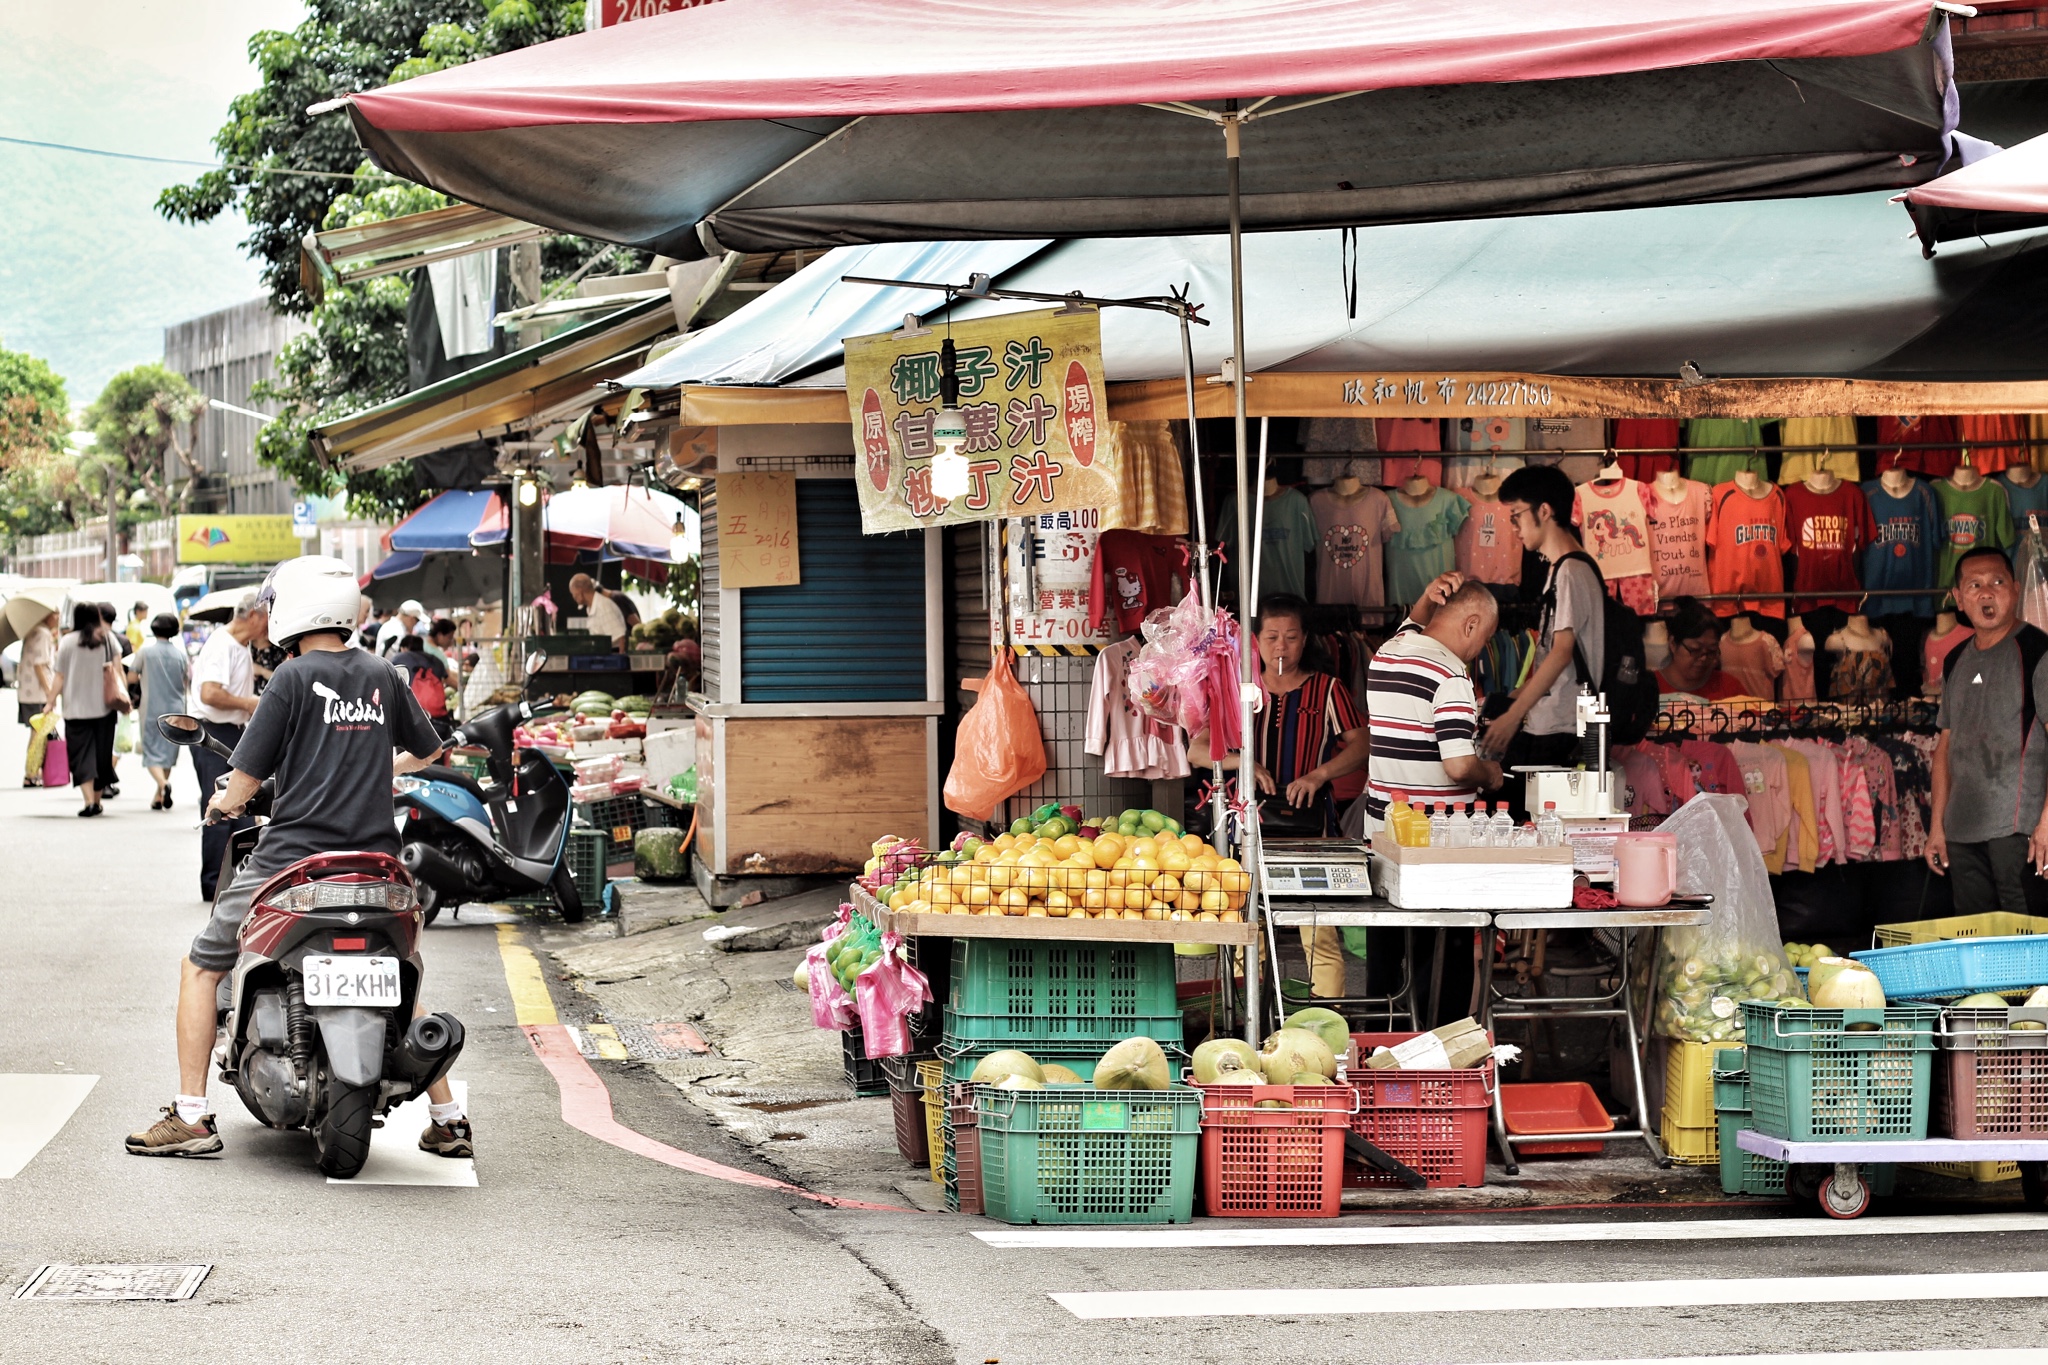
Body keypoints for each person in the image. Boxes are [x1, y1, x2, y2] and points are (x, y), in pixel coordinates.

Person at [125, 555, 468, 1160]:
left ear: (292, 608)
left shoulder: (291, 677)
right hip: (378, 868)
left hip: (292, 862)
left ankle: (193, 1116)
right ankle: (448, 1118)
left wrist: (221, 807)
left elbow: (245, 775)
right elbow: (427, 751)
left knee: (201, 968)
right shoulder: (384, 674)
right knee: (398, 974)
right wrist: (377, 769)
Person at [1188, 593, 1369, 997]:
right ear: (1256, 641)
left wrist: (1319, 775)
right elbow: (1197, 749)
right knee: (1247, 926)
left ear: (1305, 640)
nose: (1280, 646)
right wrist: (1243, 763)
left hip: (1310, 830)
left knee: (1317, 931)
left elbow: (1361, 745)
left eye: (1290, 637)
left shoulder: (1328, 689)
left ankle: (1328, 1017)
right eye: (1271, 637)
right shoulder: (1239, 691)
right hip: (1249, 825)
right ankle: (1251, 1015)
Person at [1931, 547, 2048, 913]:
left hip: (2020, 833)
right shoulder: (1955, 661)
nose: (1986, 592)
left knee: (2029, 940)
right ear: (1958, 599)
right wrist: (1937, 827)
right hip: (1961, 833)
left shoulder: (2037, 651)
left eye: (1997, 582)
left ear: (2014, 589)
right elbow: (1944, 748)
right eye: (1975, 585)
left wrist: (2047, 822)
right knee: (1975, 943)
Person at [1481, 464, 1604, 770]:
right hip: (1556, 720)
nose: (1515, 527)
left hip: (1561, 724)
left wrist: (1512, 715)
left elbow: (1562, 653)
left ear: (1544, 511)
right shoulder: (1562, 568)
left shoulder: (1571, 571)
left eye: (1517, 515)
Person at [1366, 574, 1506, 829]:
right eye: (1485, 638)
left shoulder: (1387, 652)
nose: (1481, 648)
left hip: (1380, 830)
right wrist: (1490, 774)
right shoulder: (1450, 674)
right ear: (1471, 625)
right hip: (1430, 839)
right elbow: (1460, 767)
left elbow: (1413, 623)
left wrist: (1428, 593)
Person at [189, 592, 267, 900]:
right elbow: (210, 693)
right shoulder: (223, 644)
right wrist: (248, 703)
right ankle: (214, 884)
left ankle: (232, 882)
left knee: (239, 805)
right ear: (254, 616)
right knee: (223, 806)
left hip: (229, 730)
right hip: (215, 732)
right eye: (267, 618)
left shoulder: (237, 645)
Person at [43, 601, 123, 815]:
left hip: (75, 710)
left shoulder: (67, 642)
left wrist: (50, 702)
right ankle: (97, 800)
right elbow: (118, 670)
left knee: (81, 756)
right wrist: (125, 699)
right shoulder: (107, 638)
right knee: (101, 757)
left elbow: (59, 676)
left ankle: (89, 802)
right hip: (105, 709)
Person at [136, 612, 191, 810]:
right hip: (176, 709)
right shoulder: (181, 655)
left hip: (151, 708)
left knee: (151, 752)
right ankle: (158, 796)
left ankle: (163, 785)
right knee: (167, 752)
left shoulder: (145, 652)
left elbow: (132, 677)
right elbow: (186, 681)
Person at [1655, 597, 1748, 701]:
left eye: (1711, 651)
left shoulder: (1729, 686)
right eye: (1695, 650)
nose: (1703, 658)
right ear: (1673, 644)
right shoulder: (1649, 687)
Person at [17, 606, 58, 784]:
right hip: (37, 692)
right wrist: (50, 692)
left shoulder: (33, 631)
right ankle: (31, 774)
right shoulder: (42, 633)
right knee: (38, 734)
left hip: (28, 691)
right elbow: (40, 665)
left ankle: (34, 771)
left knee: (36, 733)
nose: (58, 618)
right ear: (48, 616)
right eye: (56, 614)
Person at [389, 632, 453, 733]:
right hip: (438, 717)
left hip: (412, 714)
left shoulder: (398, 658)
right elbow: (444, 679)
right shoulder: (436, 660)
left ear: (404, 648)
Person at [569, 573, 628, 651]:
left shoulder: (603, 607)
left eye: (574, 594)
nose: (573, 597)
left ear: (579, 591)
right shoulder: (591, 607)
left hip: (612, 656)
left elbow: (621, 638)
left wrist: (619, 661)